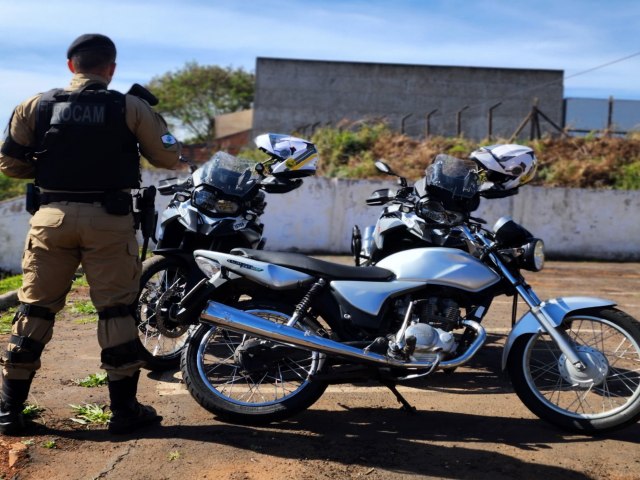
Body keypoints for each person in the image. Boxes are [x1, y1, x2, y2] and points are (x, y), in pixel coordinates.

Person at [0, 34, 180, 435]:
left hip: (51, 218)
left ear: (71, 66)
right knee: (116, 310)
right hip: (109, 220)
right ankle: (124, 412)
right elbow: (168, 157)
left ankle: (9, 413)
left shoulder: (36, 105)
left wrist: (52, 168)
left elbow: (9, 164)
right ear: (110, 69)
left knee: (36, 309)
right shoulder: (129, 106)